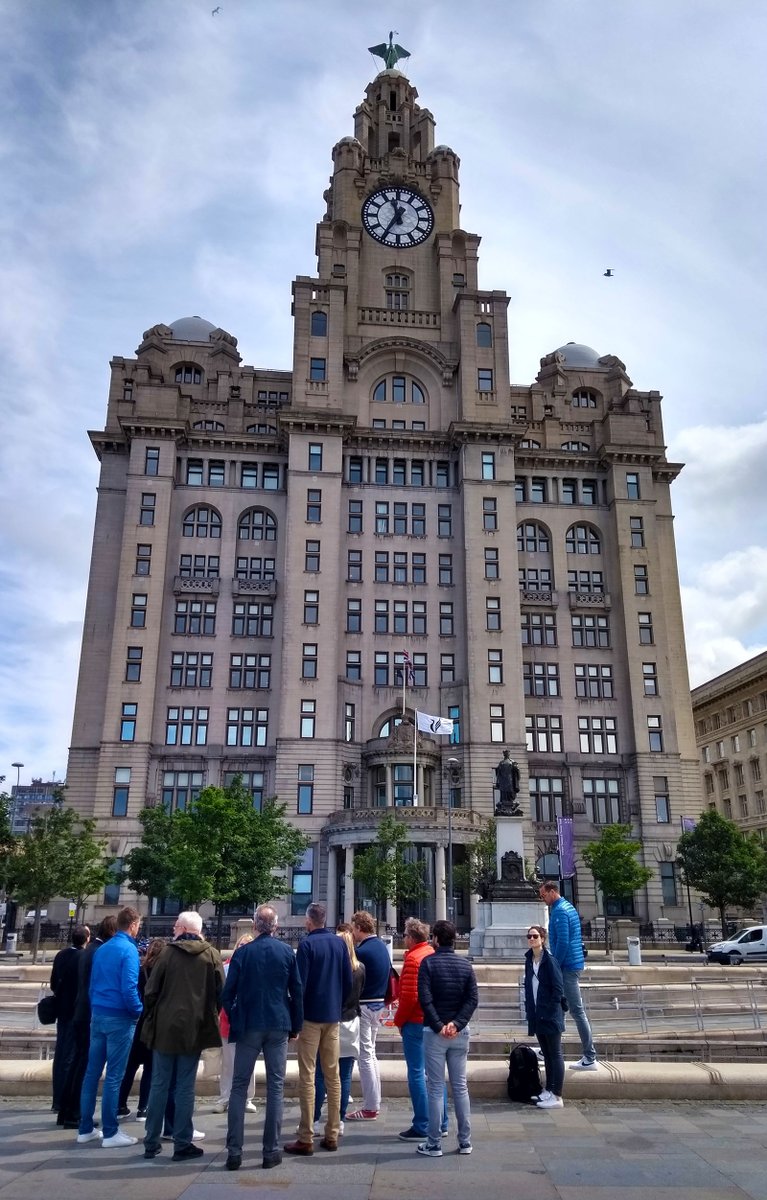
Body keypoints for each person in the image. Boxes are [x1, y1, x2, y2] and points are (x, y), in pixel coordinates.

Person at [221, 905, 303, 1172]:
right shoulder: (286, 953)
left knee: (239, 1086)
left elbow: (227, 993)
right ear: (276, 926)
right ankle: (270, 1151)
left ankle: (234, 1152)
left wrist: (236, 1016)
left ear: (255, 925)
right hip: (278, 1023)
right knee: (276, 1087)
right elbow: (297, 991)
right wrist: (296, 1026)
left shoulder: (243, 953)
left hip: (248, 1024)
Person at [141, 911, 225, 1162]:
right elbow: (221, 992)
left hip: (165, 1028)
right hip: (194, 1028)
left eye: (177, 925)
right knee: (185, 1087)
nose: (173, 929)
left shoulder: (167, 953)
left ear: (185, 929)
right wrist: (208, 1014)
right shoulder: (211, 955)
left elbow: (150, 991)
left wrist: (156, 1013)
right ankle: (182, 1142)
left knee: (159, 1084)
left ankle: (151, 1142)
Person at [284, 902, 351, 1156]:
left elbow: (298, 985)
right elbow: (347, 980)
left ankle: (306, 1136)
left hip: (310, 1018)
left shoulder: (307, 945)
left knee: (308, 1076)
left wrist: (295, 1021)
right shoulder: (339, 944)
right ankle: (332, 1134)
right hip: (332, 1018)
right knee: (333, 1076)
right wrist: (337, 1005)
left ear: (309, 921)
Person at [77, 906, 143, 1149]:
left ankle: (85, 1129)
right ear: (133, 925)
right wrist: (138, 1011)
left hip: (99, 1014)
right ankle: (110, 1132)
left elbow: (92, 984)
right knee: (114, 1076)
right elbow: (129, 988)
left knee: (91, 1074)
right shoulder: (129, 950)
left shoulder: (102, 949)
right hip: (120, 1017)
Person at [417, 919, 478, 1158]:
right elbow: (472, 999)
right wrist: (457, 1024)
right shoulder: (465, 965)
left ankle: (434, 1143)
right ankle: (465, 1141)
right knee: (460, 1087)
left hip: (435, 1033)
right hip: (460, 1033)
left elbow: (425, 998)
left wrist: (439, 1025)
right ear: (454, 939)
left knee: (435, 1087)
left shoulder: (428, 963)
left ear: (435, 939)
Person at [57, 915, 117, 1129]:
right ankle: (75, 1113)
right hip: (88, 1014)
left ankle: (66, 1111)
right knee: (84, 1065)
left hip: (80, 1012)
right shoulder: (98, 951)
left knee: (77, 1063)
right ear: (112, 931)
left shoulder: (90, 949)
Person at [394, 917, 449, 1141]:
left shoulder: (413, 959)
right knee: (435, 1075)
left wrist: (399, 1021)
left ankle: (423, 1124)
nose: (403, 938)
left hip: (415, 1022)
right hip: (432, 1021)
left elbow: (409, 997)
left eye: (405, 935)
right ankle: (441, 1122)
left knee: (417, 1072)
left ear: (411, 937)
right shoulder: (431, 953)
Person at [539, 881, 597, 1069]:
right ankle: (549, 1048)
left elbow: (562, 942)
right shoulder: (566, 907)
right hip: (570, 964)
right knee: (559, 1008)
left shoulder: (560, 912)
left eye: (544, 895)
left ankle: (590, 1056)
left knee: (576, 1011)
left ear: (552, 892)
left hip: (567, 967)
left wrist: (554, 965)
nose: (543, 899)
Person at [314, 926, 364, 1134]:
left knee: (320, 1074)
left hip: (331, 1022)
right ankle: (340, 1120)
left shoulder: (332, 970)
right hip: (351, 1023)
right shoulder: (360, 969)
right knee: (344, 1076)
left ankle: (315, 1119)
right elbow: (359, 994)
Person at [347, 910, 391, 1121]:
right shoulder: (381, 947)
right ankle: (375, 1102)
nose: (353, 933)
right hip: (378, 1005)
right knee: (371, 1053)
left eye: (353, 928)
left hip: (364, 1006)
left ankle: (370, 1107)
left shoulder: (361, 951)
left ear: (359, 928)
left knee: (364, 1055)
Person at [117, 937, 166, 1119]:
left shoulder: (139, 970)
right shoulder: (162, 973)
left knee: (130, 1067)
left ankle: (120, 1105)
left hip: (138, 1021)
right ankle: (143, 1108)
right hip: (154, 1023)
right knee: (150, 1068)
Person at [212, 932, 258, 1114]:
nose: (243, 947)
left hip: (248, 1021)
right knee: (228, 1063)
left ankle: (247, 1098)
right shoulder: (226, 967)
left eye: (248, 945)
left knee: (249, 1062)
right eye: (241, 944)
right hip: (228, 1020)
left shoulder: (255, 969)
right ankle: (225, 1098)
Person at [524, 924, 565, 1108]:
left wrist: (550, 1010)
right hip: (537, 1014)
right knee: (546, 1054)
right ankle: (549, 1089)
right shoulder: (529, 960)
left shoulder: (550, 960)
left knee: (555, 1053)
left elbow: (558, 989)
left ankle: (557, 1096)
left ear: (542, 939)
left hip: (550, 1014)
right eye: (529, 936)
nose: (532, 939)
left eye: (535, 936)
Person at [50, 924, 89, 1112]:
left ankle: (57, 1099)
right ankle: (65, 1101)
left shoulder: (61, 955)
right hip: (75, 1011)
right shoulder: (82, 957)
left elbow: (53, 983)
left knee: (60, 1054)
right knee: (71, 1056)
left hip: (62, 1010)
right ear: (86, 939)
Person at [495, 750, 521, 814]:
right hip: (503, 780)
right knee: (504, 792)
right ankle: (505, 802)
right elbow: (498, 773)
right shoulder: (501, 762)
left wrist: (516, 768)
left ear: (509, 754)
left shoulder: (512, 762)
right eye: (505, 753)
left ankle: (510, 802)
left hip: (510, 779)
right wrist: (498, 781)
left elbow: (517, 771)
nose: (507, 755)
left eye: (508, 753)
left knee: (510, 791)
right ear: (504, 754)